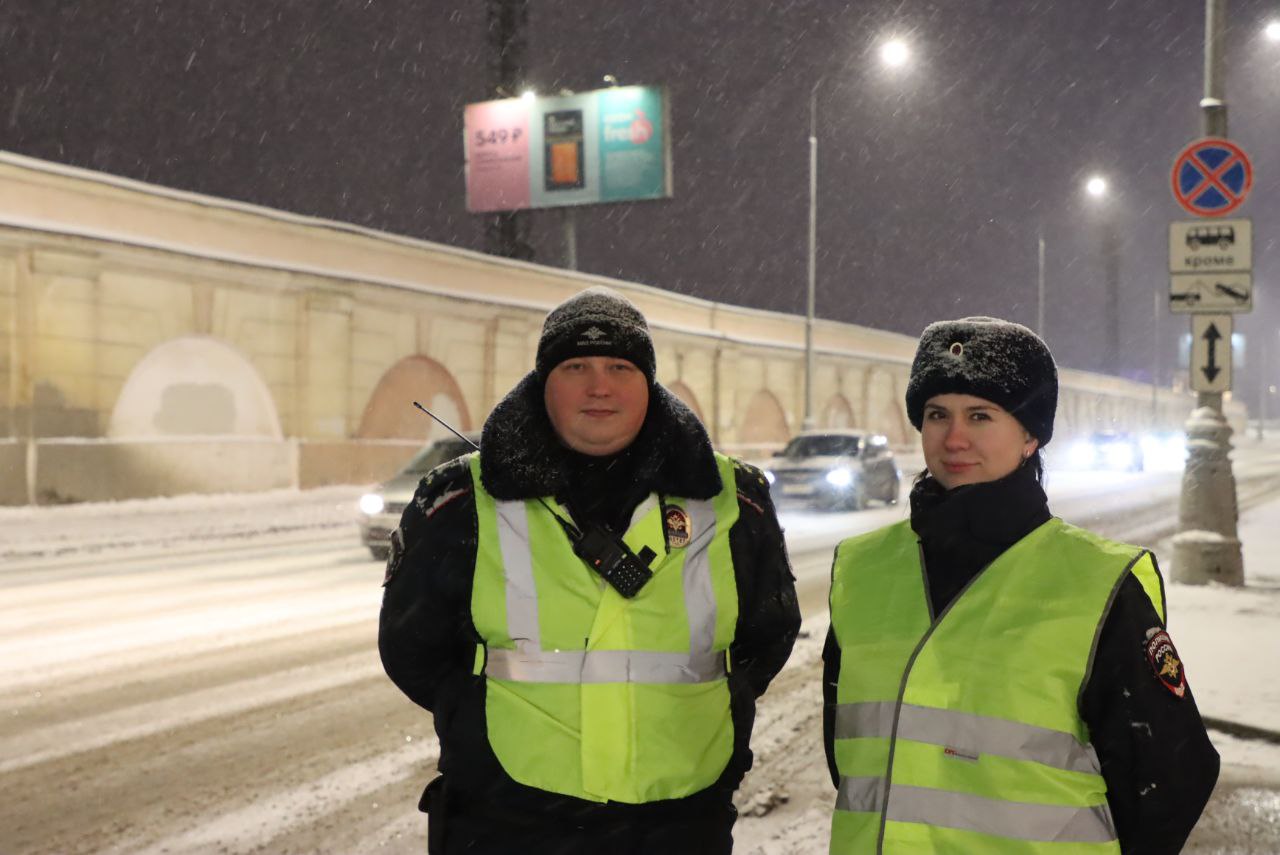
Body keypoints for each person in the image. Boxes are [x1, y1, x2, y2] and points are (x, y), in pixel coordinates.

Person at [380, 286, 800, 855]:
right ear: (543, 381)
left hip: (679, 817)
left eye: (620, 367)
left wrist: (719, 714)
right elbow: (412, 648)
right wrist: (478, 735)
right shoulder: (458, 498)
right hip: (509, 821)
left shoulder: (733, 498)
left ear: (648, 384)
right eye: (576, 365)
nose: (599, 386)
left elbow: (767, 636)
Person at [823, 317, 1219, 854]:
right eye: (937, 414)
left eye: (980, 416)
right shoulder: (864, 569)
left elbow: (1171, 776)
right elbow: (852, 757)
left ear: (1030, 435)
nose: (954, 437)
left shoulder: (1098, 585)